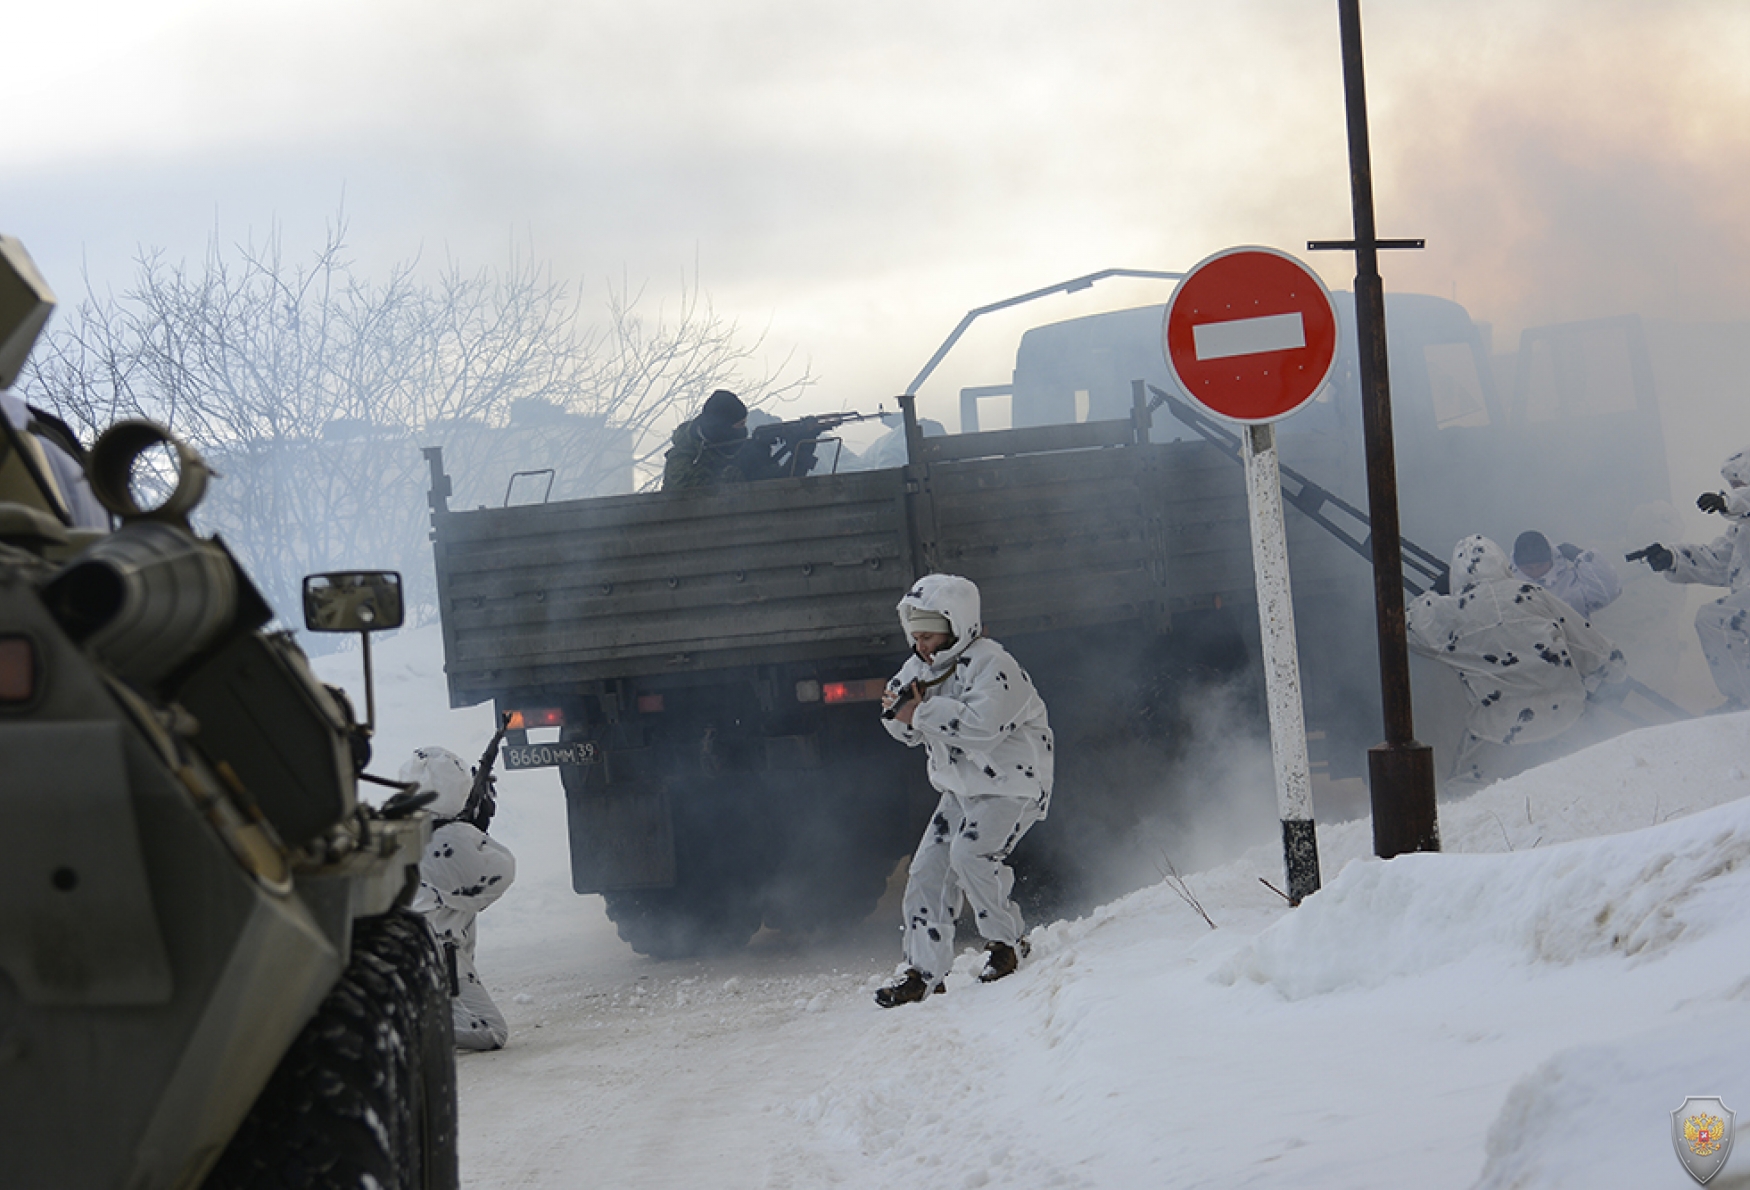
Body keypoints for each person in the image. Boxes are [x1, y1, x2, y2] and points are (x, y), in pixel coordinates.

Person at [874, 573, 1054, 1008]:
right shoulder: (920, 667)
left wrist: (919, 712)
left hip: (1012, 785)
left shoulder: (995, 665)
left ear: (958, 625)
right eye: (914, 635)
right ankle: (923, 972)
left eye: (930, 635)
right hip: (959, 790)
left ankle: (1006, 944)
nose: (921, 645)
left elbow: (982, 728)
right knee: (926, 873)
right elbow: (901, 722)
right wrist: (904, 716)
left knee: (970, 855)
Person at [1408, 535, 1627, 786]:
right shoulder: (1531, 594)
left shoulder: (1451, 613)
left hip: (1497, 733)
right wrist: (1613, 674)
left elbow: (1409, 627)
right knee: (1584, 787)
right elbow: (1592, 648)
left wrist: (1436, 593)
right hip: (1563, 718)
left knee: (1467, 799)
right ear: (1502, 563)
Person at [400, 745, 517, 1051]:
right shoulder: (450, 839)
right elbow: (499, 874)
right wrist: (477, 829)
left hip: (403, 949)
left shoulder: (399, 829)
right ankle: (415, 1023)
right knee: (491, 1031)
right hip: (433, 954)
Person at [1630, 444, 1750, 709]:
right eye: (1732, 485)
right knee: (1719, 625)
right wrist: (1672, 557)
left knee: (1717, 620)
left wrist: (1728, 503)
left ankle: (1743, 701)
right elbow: (1718, 562)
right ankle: (1742, 700)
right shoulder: (1742, 531)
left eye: (1740, 483)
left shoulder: (1740, 507)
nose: (1735, 489)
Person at [661, 389, 820, 491]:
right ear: (722, 427)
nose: (743, 430)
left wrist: (804, 446)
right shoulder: (685, 455)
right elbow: (685, 497)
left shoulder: (743, 451)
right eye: (740, 425)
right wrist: (728, 478)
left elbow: (781, 486)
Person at [1510, 530, 1622, 621]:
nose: (1535, 572)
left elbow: (1607, 594)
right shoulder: (1511, 589)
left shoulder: (1570, 581)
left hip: (1579, 644)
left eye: (1541, 565)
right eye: (1528, 568)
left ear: (1552, 559)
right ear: (1517, 566)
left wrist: (1584, 559)